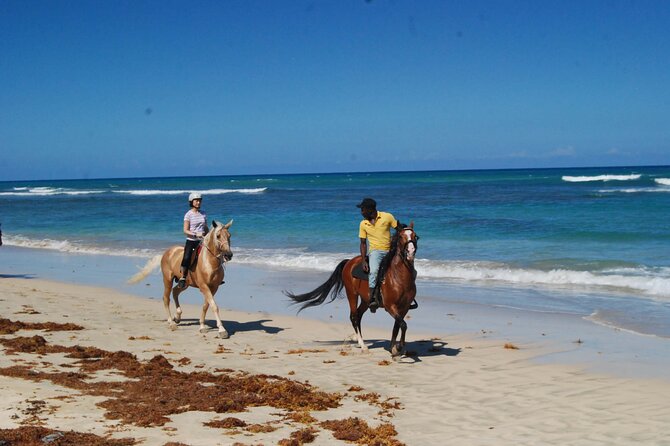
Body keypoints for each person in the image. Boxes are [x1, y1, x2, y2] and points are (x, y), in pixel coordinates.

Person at [357, 198, 399, 313]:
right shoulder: (363, 224)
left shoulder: (387, 217)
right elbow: (363, 243)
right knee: (374, 271)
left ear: (370, 209)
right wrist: (363, 261)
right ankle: (372, 299)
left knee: (406, 268)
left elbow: (398, 229)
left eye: (362, 209)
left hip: (390, 251)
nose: (361, 212)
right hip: (375, 252)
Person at [178, 192, 208, 289]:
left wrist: (208, 235)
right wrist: (195, 234)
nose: (198, 202)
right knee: (187, 257)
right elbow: (185, 230)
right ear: (191, 202)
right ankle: (183, 277)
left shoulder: (203, 213)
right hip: (191, 240)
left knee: (213, 253)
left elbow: (205, 227)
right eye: (196, 201)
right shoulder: (188, 215)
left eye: (199, 200)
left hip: (202, 241)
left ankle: (215, 275)